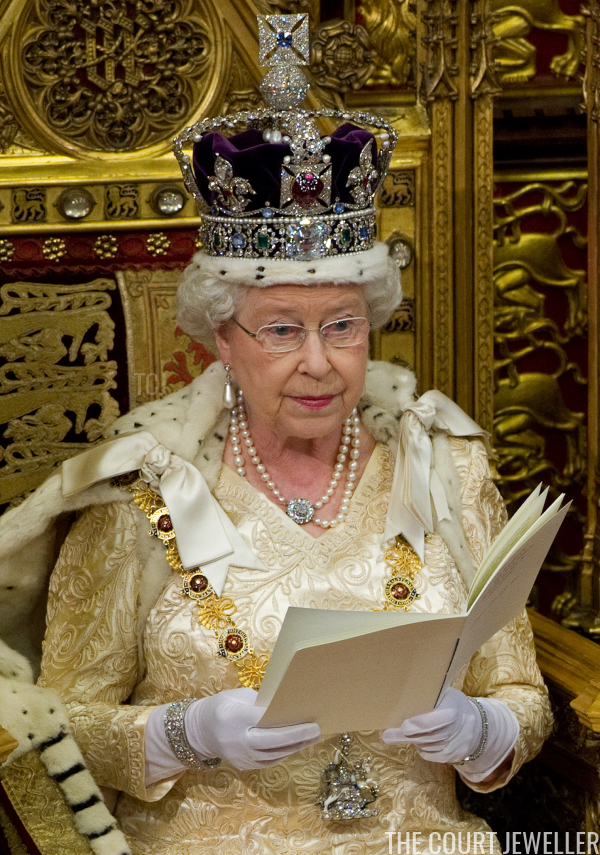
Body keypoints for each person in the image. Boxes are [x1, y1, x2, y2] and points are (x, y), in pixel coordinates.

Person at [0, 14, 551, 855]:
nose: (320, 364)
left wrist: (481, 729)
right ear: (222, 339)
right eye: (282, 331)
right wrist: (185, 732)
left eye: (342, 325)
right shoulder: (142, 492)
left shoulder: (447, 469)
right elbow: (56, 726)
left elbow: (522, 689)